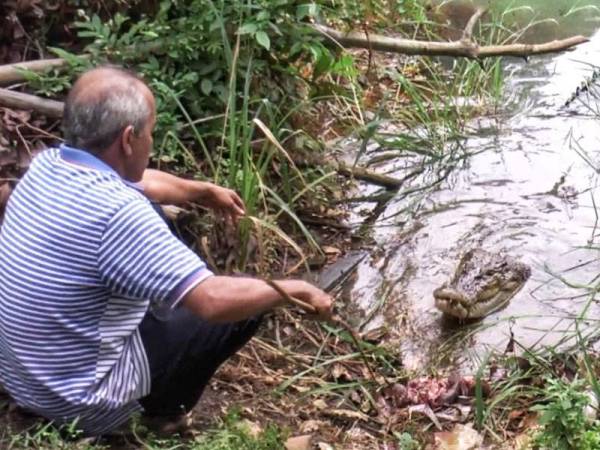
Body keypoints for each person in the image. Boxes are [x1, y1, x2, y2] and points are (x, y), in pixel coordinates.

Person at [0, 66, 333, 436]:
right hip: (81, 404)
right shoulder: (119, 213)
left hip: (25, 379)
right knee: (245, 299)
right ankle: (159, 412)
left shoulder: (46, 165)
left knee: (156, 216)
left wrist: (201, 191)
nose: (152, 143)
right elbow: (212, 301)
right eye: (151, 134)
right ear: (129, 139)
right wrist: (294, 290)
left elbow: (140, 182)